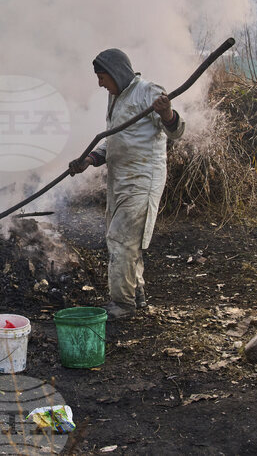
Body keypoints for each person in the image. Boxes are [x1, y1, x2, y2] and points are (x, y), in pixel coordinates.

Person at [69, 48, 184, 320]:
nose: (100, 84)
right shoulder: (116, 97)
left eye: (102, 77)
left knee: (121, 238)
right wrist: (90, 159)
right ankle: (136, 294)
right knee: (127, 239)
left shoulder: (148, 92)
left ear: (116, 73)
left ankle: (122, 303)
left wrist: (167, 113)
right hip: (120, 180)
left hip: (142, 178)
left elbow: (176, 132)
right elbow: (115, 140)